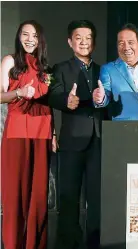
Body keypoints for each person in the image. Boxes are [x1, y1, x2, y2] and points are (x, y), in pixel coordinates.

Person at [48, 20, 105, 249]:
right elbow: (53, 96)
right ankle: (67, 243)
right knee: (69, 197)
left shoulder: (103, 70)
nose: (84, 42)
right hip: (72, 140)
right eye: (79, 38)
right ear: (70, 42)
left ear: (94, 42)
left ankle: (95, 242)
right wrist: (66, 101)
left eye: (88, 37)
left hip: (99, 140)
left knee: (97, 199)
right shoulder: (61, 68)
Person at [1, 20, 52, 249]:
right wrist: (19, 91)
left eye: (34, 35)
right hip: (17, 132)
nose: (30, 39)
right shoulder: (10, 61)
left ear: (40, 39)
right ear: (19, 37)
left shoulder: (44, 69)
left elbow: (48, 103)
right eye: (25, 34)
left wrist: (54, 133)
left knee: (38, 197)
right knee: (15, 195)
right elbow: (0, 96)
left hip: (41, 133)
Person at [93, 23, 138, 120]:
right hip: (123, 129)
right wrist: (100, 98)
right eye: (121, 43)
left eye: (130, 42)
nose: (126, 48)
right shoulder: (108, 69)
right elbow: (105, 94)